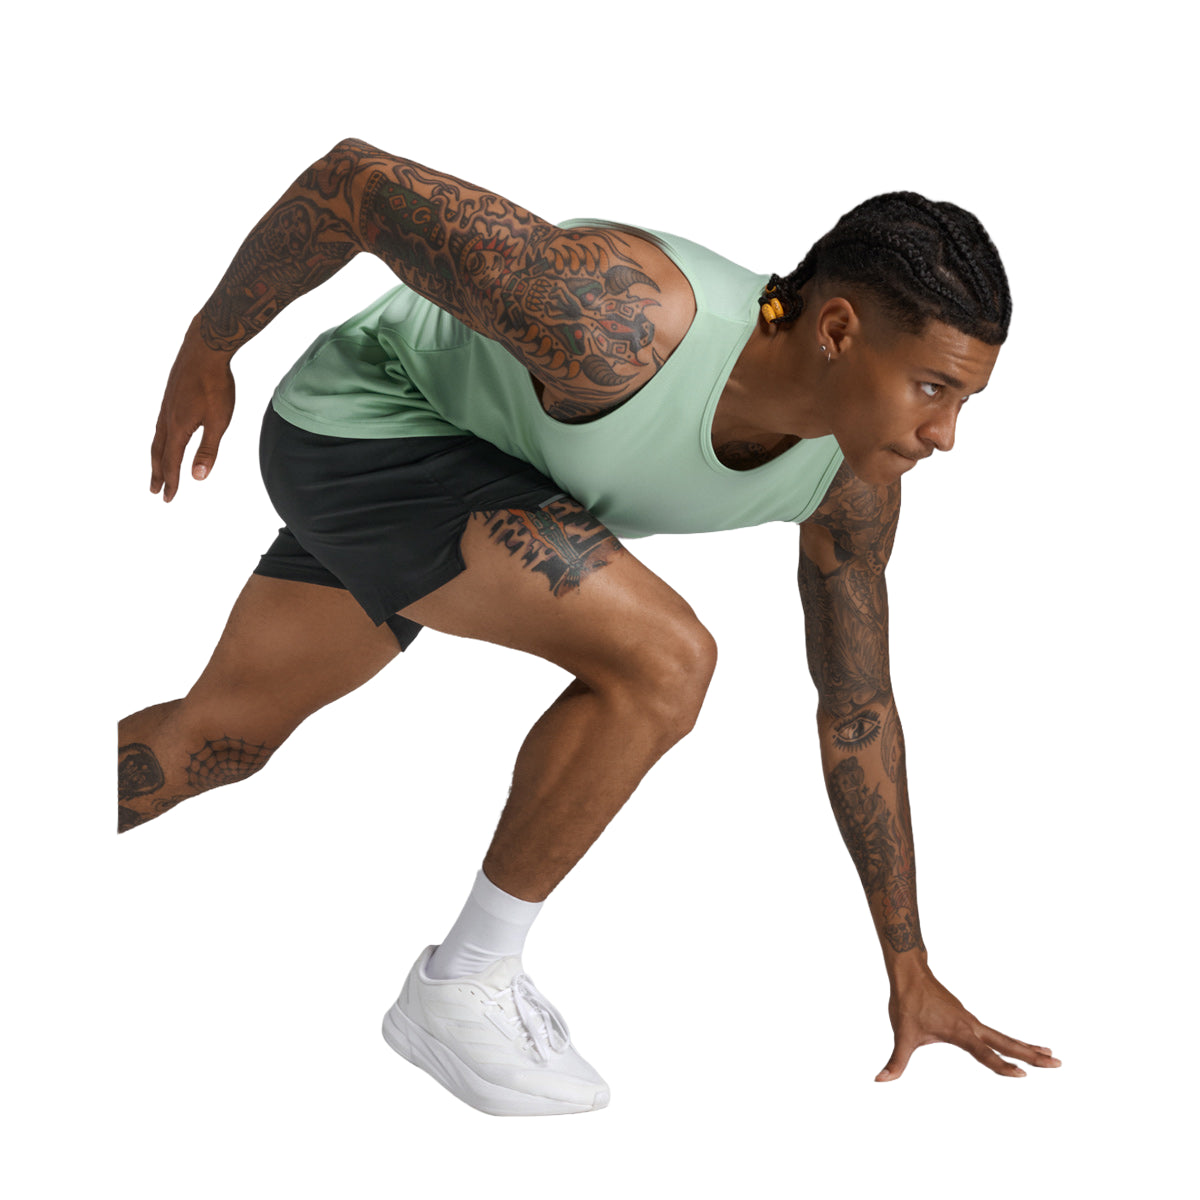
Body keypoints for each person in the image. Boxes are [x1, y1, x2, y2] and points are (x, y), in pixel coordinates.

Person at [118, 138, 1061, 1116]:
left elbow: (856, 708)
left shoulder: (850, 488)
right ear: (836, 330)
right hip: (370, 426)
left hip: (491, 482)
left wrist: (909, 968)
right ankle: (462, 980)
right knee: (666, 661)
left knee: (213, 742)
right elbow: (354, 183)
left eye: (966, 399)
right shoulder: (624, 317)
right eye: (932, 387)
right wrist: (209, 346)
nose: (946, 434)